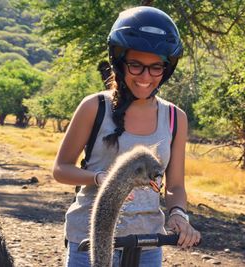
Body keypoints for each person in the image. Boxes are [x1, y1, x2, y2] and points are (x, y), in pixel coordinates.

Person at [53, 6, 201, 267]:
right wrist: (101, 178)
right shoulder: (94, 107)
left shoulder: (175, 118)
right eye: (136, 65)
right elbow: (61, 169)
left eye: (156, 67)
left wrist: (178, 215)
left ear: (166, 69)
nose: (146, 77)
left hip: (147, 244)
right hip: (91, 241)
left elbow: (175, 186)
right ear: (119, 62)